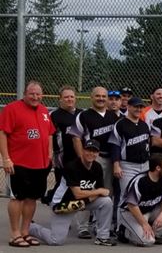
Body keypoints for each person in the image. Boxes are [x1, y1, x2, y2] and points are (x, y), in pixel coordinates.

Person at [29, 140, 115, 246]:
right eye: (88, 150)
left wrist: (93, 195)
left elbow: (102, 194)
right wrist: (97, 192)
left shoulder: (97, 167)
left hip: (82, 202)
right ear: (83, 150)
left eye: (94, 151)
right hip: (63, 204)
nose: (91, 154)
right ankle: (30, 227)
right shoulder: (72, 166)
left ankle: (102, 237)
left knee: (106, 201)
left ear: (98, 154)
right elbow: (78, 194)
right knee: (56, 240)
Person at [3, 84, 56, 245]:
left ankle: (25, 231)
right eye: (31, 94)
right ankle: (15, 234)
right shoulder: (12, 109)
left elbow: (49, 134)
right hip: (19, 163)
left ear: (42, 95)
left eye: (38, 94)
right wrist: (6, 158)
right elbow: (3, 133)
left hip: (40, 164)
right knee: (18, 198)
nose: (35, 97)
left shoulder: (43, 110)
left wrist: (49, 153)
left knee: (32, 199)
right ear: (25, 94)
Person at [67, 86, 119, 239]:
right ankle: (83, 226)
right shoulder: (84, 115)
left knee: (106, 192)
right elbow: (76, 137)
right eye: (98, 96)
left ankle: (100, 226)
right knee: (87, 191)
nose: (101, 99)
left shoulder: (113, 116)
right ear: (91, 97)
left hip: (109, 158)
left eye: (104, 96)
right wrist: (82, 159)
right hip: (91, 158)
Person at [118, 153, 162, 247]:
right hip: (130, 212)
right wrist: (144, 224)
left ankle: (152, 234)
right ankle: (126, 232)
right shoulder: (140, 181)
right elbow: (132, 205)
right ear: (158, 168)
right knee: (147, 242)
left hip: (150, 210)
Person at [109, 97, 152, 197]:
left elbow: (148, 144)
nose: (139, 109)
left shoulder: (144, 125)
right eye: (136, 107)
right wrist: (116, 165)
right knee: (127, 196)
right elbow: (115, 146)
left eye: (141, 107)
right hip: (128, 166)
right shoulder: (120, 124)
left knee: (143, 195)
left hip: (145, 164)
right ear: (128, 107)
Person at [50, 86, 80, 181]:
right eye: (66, 97)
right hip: (62, 158)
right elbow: (48, 137)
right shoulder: (53, 115)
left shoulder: (82, 114)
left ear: (75, 98)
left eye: (72, 97)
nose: (69, 99)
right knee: (62, 186)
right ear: (60, 99)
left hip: (80, 158)